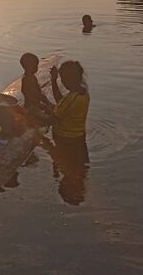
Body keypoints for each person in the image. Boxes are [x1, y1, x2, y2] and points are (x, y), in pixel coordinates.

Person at [49, 60, 90, 204]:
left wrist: (35, 115)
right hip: (79, 138)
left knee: (70, 165)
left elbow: (53, 119)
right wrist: (53, 81)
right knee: (79, 167)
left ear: (68, 80)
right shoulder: (83, 94)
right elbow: (62, 103)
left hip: (65, 139)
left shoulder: (72, 98)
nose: (63, 83)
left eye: (62, 80)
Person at [19, 53, 54, 122]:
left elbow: (37, 91)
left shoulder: (32, 77)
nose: (37, 68)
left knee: (50, 108)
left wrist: (45, 100)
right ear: (28, 66)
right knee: (48, 119)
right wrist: (39, 100)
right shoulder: (26, 79)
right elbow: (27, 93)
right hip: (31, 107)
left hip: (36, 104)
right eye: (35, 66)